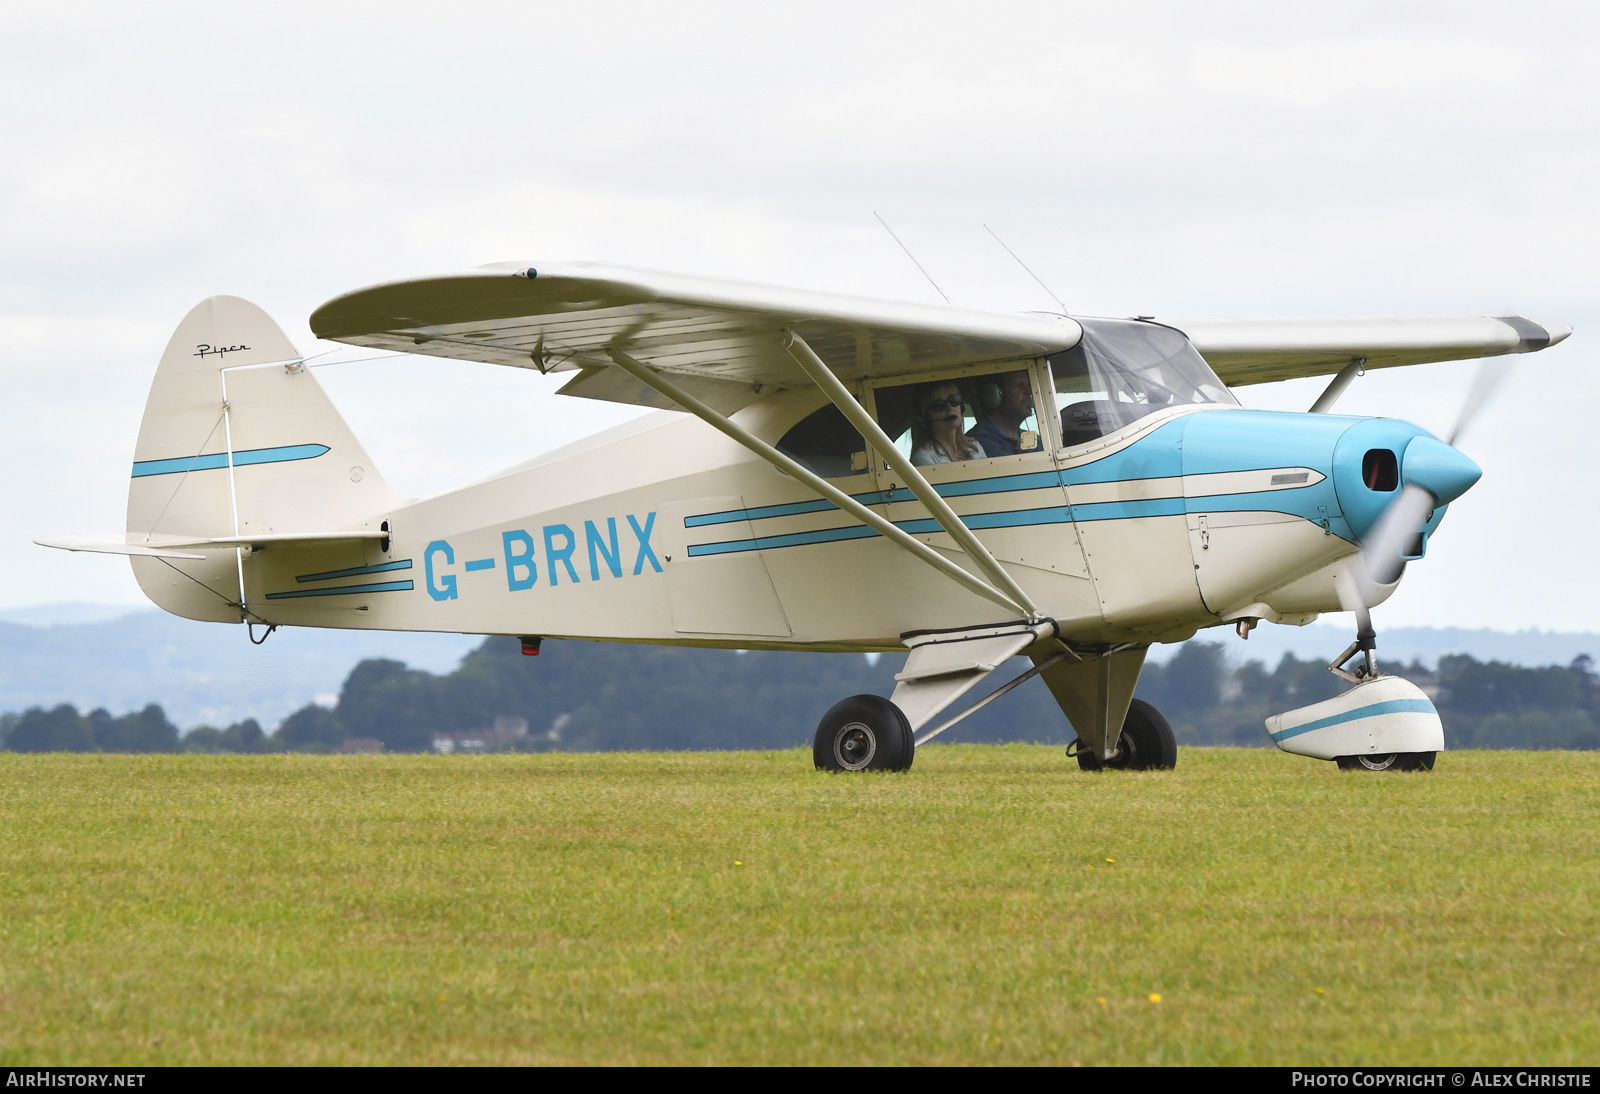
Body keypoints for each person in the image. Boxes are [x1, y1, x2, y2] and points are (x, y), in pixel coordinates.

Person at [910, 381, 986, 465]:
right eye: (939, 405)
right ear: (924, 418)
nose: (950, 408)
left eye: (954, 400)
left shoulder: (974, 447)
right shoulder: (924, 457)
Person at [967, 370, 1034, 457]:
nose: (1029, 391)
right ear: (995, 394)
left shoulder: (1032, 439)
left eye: (1029, 385)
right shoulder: (978, 440)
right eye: (1018, 385)